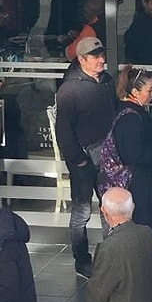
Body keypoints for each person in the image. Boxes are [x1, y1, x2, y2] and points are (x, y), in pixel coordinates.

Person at [55, 37, 117, 278]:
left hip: (108, 154)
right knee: (81, 212)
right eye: (96, 56)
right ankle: (82, 261)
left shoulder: (107, 81)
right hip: (84, 157)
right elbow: (64, 132)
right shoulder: (69, 90)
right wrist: (78, 160)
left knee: (110, 208)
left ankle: (111, 257)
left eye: (103, 54)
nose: (102, 60)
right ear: (82, 60)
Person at [101, 65, 152, 254]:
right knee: (145, 239)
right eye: (149, 90)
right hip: (141, 185)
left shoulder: (127, 112)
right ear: (134, 92)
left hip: (140, 182)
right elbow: (134, 154)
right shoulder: (131, 118)